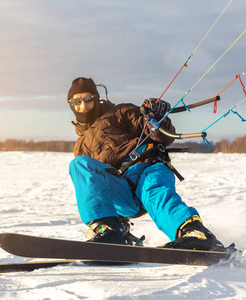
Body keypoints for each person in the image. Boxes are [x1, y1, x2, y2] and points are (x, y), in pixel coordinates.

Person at [67, 77, 227, 251]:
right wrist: (121, 224)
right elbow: (95, 188)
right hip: (123, 192)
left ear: (96, 98)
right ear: (71, 104)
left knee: (155, 193)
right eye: (77, 101)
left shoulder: (120, 112)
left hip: (147, 169)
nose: (83, 105)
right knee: (79, 164)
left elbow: (162, 135)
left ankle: (194, 233)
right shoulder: (80, 145)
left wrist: (157, 117)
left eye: (88, 99)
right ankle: (111, 232)